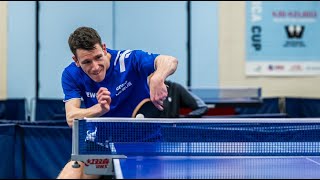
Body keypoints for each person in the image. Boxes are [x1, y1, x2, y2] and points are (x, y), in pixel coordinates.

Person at [58, 26, 178, 179]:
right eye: (87, 62)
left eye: (98, 57)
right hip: (101, 142)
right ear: (76, 60)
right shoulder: (71, 74)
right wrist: (99, 109)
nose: (95, 67)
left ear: (104, 48)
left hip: (143, 142)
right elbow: (71, 118)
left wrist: (158, 77)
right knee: (72, 173)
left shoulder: (128, 60)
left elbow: (170, 61)